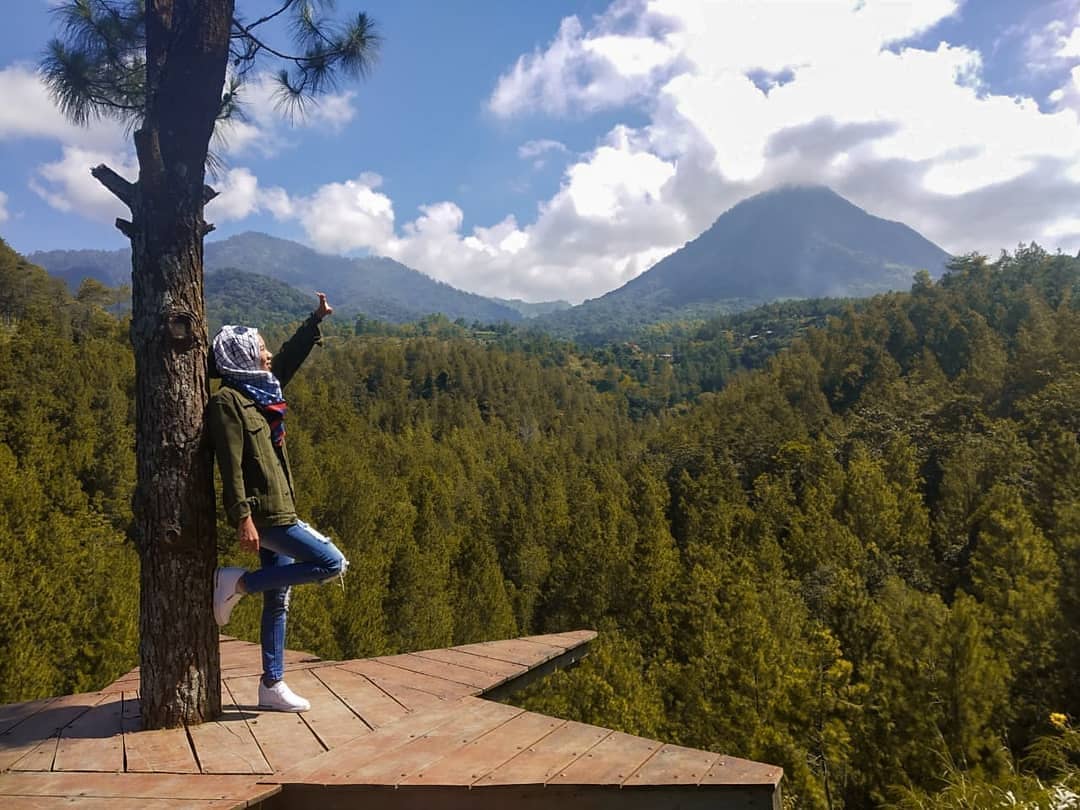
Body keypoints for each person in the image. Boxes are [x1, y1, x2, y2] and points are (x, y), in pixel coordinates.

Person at [208, 292, 348, 712]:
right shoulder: (227, 402)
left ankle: (272, 684)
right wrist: (242, 518)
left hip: (280, 506)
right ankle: (239, 584)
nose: (267, 355)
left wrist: (313, 321)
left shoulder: (260, 392)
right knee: (331, 564)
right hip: (266, 513)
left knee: (281, 597)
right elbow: (229, 466)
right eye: (261, 349)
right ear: (243, 357)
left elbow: (287, 359)